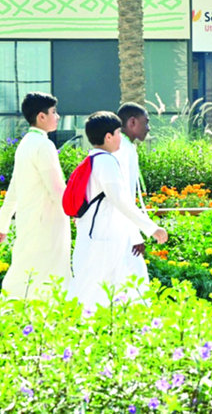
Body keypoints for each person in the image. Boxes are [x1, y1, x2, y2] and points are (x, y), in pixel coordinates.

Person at [68, 111, 167, 311]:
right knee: (91, 294)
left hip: (95, 238)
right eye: (118, 133)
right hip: (102, 241)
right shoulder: (106, 162)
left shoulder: (93, 159)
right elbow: (122, 201)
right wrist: (151, 229)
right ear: (108, 137)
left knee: (96, 293)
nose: (121, 137)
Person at [0, 92, 71, 300]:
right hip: (48, 224)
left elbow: (14, 188)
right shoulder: (44, 145)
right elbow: (57, 190)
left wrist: (2, 224)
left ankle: (11, 312)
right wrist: (78, 212)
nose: (58, 117)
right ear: (41, 116)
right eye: (54, 112)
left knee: (24, 272)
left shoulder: (26, 144)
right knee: (51, 276)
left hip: (30, 222)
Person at [113, 102, 152, 287]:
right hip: (120, 229)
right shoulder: (123, 149)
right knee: (135, 280)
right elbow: (123, 197)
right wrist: (135, 235)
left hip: (120, 227)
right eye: (146, 122)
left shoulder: (124, 146)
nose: (148, 128)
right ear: (132, 122)